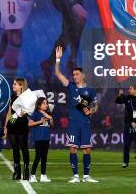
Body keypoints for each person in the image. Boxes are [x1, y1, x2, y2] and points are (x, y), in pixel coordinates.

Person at [54, 46, 98, 183]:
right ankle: (75, 176)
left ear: (83, 75)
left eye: (77, 74)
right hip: (73, 123)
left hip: (85, 123)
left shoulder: (90, 90)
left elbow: (96, 105)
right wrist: (57, 59)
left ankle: (86, 176)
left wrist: (92, 110)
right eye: (73, 75)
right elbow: (58, 74)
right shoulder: (71, 86)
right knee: (72, 149)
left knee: (86, 150)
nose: (74, 76)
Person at [4, 78, 30, 180]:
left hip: (22, 125)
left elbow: (28, 111)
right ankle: (17, 171)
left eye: (15, 84)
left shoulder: (27, 97)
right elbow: (9, 112)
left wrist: (17, 115)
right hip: (12, 125)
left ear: (21, 86)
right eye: (13, 83)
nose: (13, 85)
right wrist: (6, 125)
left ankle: (26, 170)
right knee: (15, 149)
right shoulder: (12, 96)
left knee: (24, 149)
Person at [116, 86, 136, 169]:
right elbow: (118, 101)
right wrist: (120, 95)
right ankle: (125, 162)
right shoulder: (127, 98)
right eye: (128, 89)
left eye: (130, 89)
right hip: (128, 125)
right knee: (126, 145)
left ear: (135, 90)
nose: (129, 90)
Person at [28, 97, 53, 183]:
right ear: (39, 105)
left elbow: (52, 126)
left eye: (46, 103)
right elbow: (29, 124)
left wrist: (51, 118)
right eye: (44, 103)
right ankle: (32, 175)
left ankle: (43, 175)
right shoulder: (35, 113)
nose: (46, 105)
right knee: (38, 156)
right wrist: (39, 121)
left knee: (44, 157)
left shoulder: (48, 113)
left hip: (46, 138)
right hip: (38, 138)